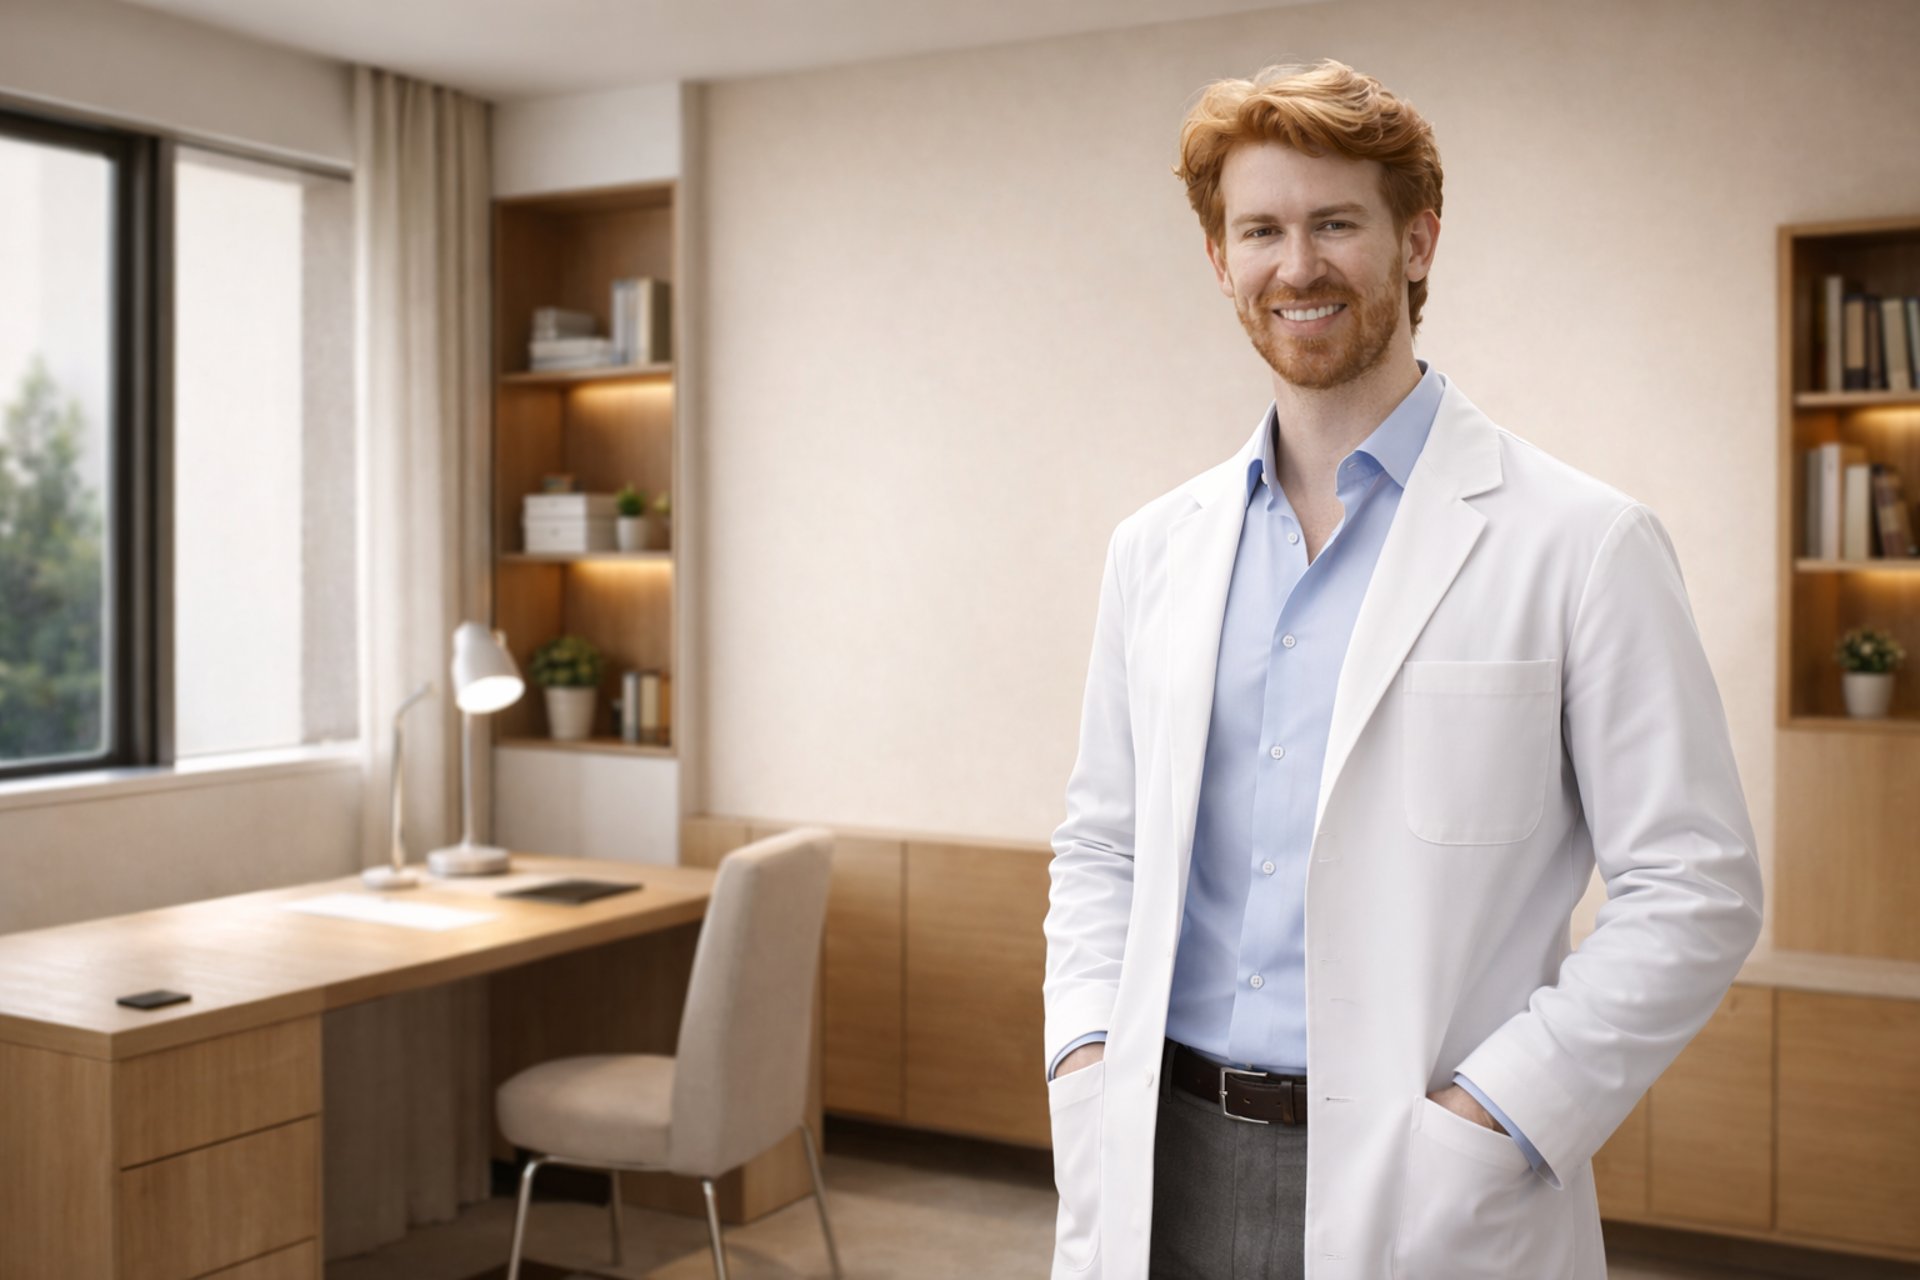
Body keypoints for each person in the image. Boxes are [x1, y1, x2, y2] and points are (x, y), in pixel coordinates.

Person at [1040, 59, 1762, 1280]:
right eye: (1260, 229)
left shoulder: (1583, 542)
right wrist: (1087, 1052)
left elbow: (1697, 884)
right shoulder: (1154, 549)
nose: (1297, 264)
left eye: (1336, 224)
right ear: (1221, 261)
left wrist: (1500, 1108)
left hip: (1428, 1176)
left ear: (1416, 241)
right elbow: (1102, 843)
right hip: (1161, 1158)